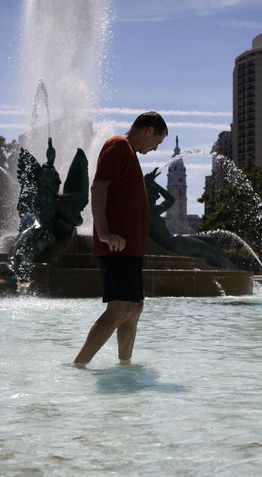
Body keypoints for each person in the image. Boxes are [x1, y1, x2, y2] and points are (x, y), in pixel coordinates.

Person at [73, 111, 168, 367]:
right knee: (119, 309)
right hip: (117, 246)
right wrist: (103, 231)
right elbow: (99, 187)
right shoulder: (117, 145)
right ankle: (78, 365)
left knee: (134, 309)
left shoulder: (131, 155)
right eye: (158, 141)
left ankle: (124, 365)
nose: (155, 147)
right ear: (149, 131)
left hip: (131, 248)